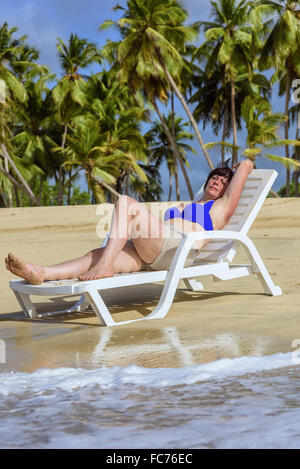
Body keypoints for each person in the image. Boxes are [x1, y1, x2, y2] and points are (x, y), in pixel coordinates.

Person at [5, 159, 254, 285]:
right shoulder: (189, 205)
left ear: (227, 191)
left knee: (125, 203)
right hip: (155, 250)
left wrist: (241, 168)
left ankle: (105, 265)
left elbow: (245, 165)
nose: (216, 182)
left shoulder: (220, 210)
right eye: (214, 177)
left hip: (176, 251)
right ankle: (41, 273)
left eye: (223, 182)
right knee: (98, 253)